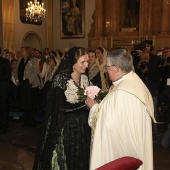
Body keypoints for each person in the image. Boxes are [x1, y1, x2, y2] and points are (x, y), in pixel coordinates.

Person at [85, 48, 156, 170]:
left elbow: (107, 124)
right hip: (135, 144)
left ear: (117, 68)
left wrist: (94, 107)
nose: (106, 70)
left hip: (123, 152)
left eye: (107, 67)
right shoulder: (134, 81)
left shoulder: (122, 92)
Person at [33, 46, 91, 170]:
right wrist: (84, 104)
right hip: (66, 128)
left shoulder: (85, 79)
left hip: (83, 127)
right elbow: (57, 108)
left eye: (87, 62)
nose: (86, 65)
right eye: (83, 62)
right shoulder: (60, 79)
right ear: (72, 62)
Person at [0, 47, 11, 133]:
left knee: (3, 108)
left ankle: (4, 127)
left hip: (3, 89)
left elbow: (8, 75)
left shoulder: (5, 62)